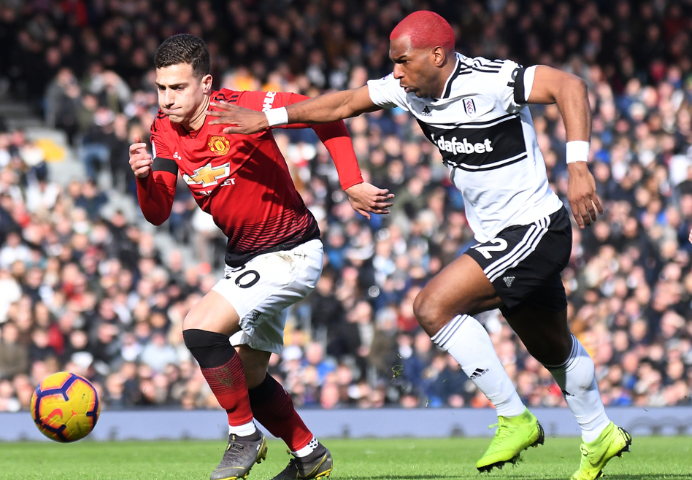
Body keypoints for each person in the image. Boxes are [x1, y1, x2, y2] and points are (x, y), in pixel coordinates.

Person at [208, 11, 631, 480]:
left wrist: (578, 166)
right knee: (551, 346)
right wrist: (267, 118)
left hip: (535, 228)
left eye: (403, 61)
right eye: (394, 63)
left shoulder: (491, 79)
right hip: (499, 237)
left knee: (432, 306)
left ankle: (514, 418)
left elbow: (570, 86)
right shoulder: (406, 90)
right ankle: (599, 434)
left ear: (438, 54)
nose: (397, 72)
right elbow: (343, 104)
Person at [129, 34, 393, 480]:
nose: (167, 99)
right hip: (246, 259)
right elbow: (157, 212)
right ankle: (309, 454)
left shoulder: (241, 107)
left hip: (291, 252)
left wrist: (350, 181)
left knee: (198, 328)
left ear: (206, 83)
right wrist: (142, 178)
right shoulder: (163, 130)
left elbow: (324, 114)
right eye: (161, 88)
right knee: (249, 377)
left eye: (178, 88)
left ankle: (243, 436)